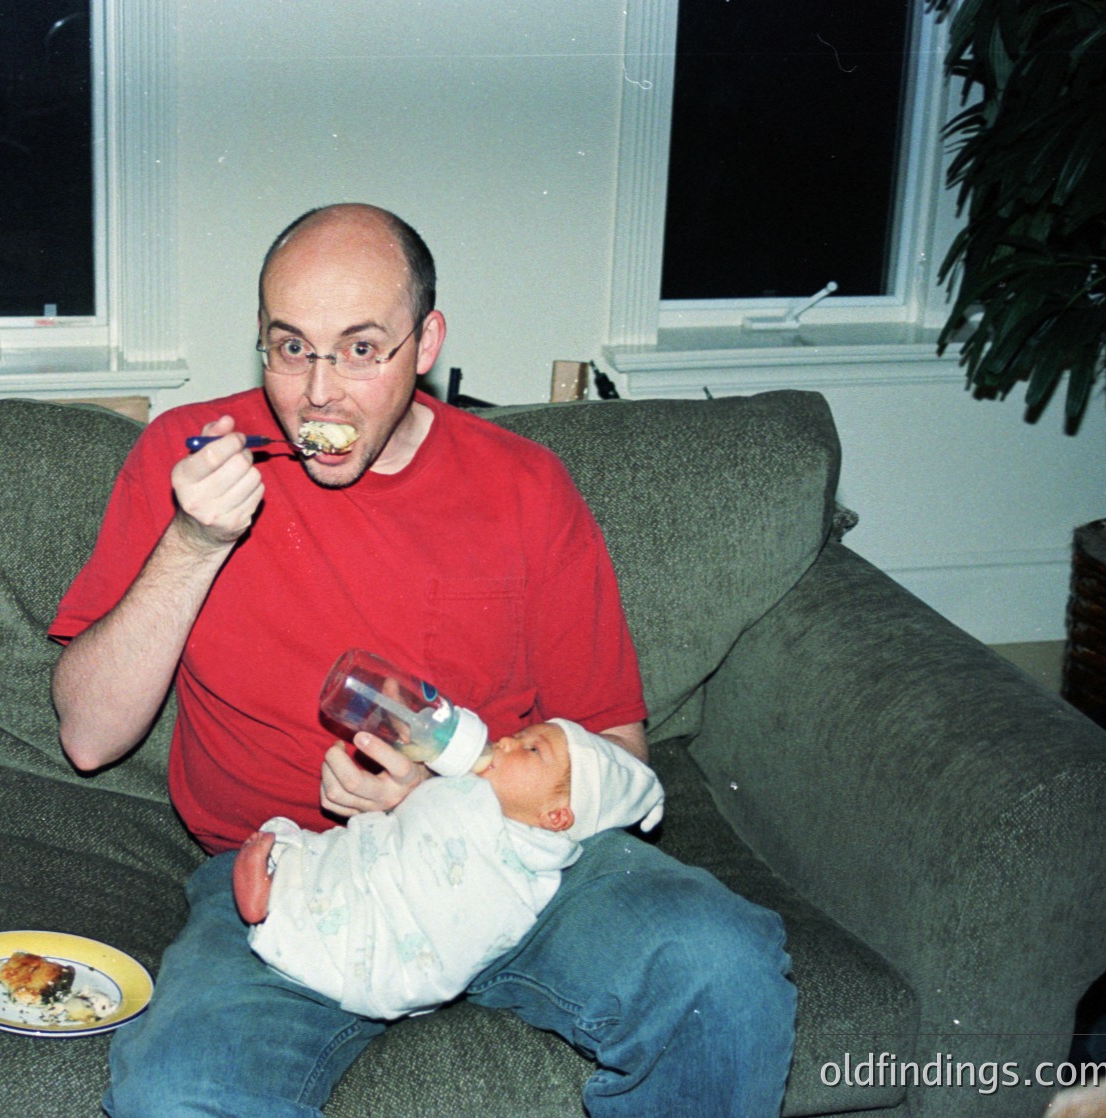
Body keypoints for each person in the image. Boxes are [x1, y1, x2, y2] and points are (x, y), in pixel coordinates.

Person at [49, 203, 796, 1116]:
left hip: (513, 864)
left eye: (362, 349)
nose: (319, 392)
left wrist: (461, 795)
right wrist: (193, 543)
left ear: (426, 343)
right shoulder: (190, 457)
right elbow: (88, 737)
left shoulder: (524, 485)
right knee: (177, 1094)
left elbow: (621, 757)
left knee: (724, 966)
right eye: (291, 348)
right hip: (292, 885)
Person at [233, 718, 665, 1022]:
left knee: (366, 904)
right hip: (387, 868)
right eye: (517, 736)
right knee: (350, 864)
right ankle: (286, 885)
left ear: (556, 817)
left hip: (406, 930)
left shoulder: (525, 859)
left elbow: (465, 911)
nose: (508, 743)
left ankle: (280, 900)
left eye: (533, 750)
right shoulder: (479, 797)